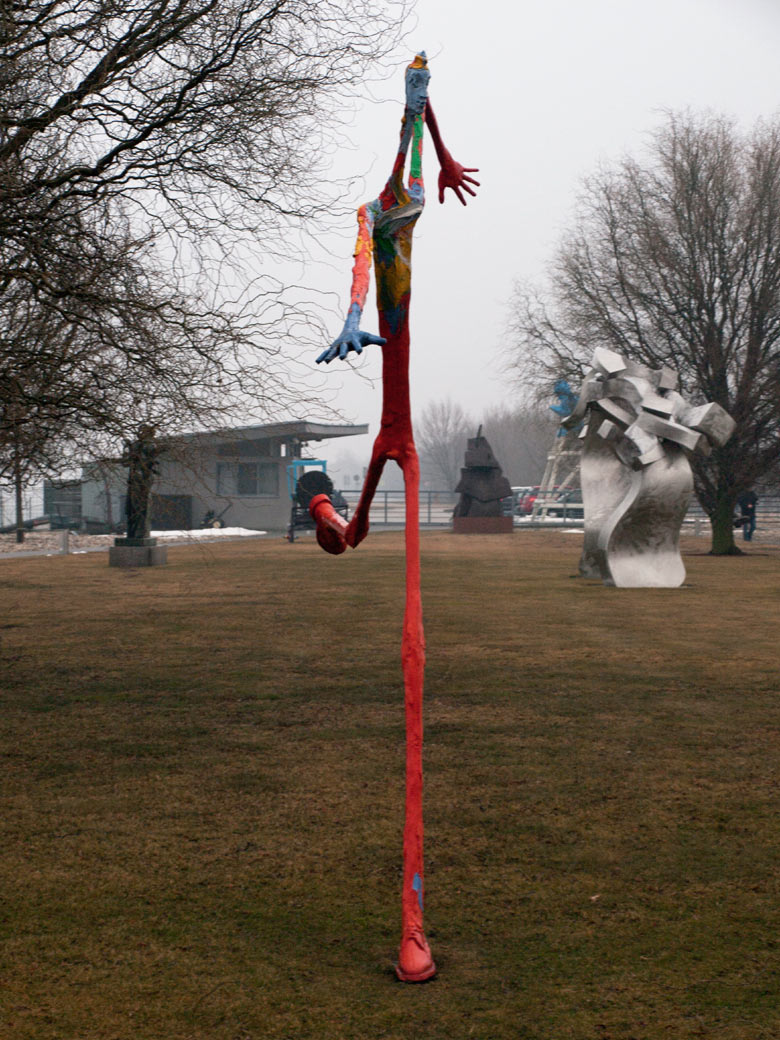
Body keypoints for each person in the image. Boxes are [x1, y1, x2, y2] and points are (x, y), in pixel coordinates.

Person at [308, 53, 478, 983]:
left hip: (403, 453)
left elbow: (414, 141)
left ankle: (412, 916)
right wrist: (348, 312)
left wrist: (439, 139)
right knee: (363, 551)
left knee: (412, 630)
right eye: (411, 92)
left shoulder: (413, 166)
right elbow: (368, 250)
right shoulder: (379, 209)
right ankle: (329, 514)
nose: (418, 101)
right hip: (388, 438)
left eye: (424, 89)